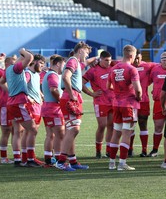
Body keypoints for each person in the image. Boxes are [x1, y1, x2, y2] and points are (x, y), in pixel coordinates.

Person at [0, 48, 39, 167]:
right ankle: (30, 159)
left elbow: (1, 82)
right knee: (32, 129)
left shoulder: (8, 70)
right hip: (19, 102)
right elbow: (29, 57)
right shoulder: (16, 68)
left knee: (18, 131)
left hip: (12, 102)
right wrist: (23, 50)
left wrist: (11, 91)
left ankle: (18, 159)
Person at [56, 41, 92, 171]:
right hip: (70, 96)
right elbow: (66, 77)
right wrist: (72, 94)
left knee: (71, 130)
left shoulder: (75, 62)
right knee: (74, 129)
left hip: (70, 96)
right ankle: (60, 161)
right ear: (81, 50)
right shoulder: (73, 60)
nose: (87, 56)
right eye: (87, 53)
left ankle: (73, 161)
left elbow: (85, 64)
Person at [107, 45, 142, 171]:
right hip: (128, 105)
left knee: (116, 132)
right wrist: (138, 97)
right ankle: (122, 163)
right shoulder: (132, 69)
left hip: (116, 104)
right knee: (127, 133)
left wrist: (118, 93)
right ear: (132, 56)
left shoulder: (114, 68)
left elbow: (108, 86)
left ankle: (111, 163)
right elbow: (138, 89)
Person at [82, 50, 114, 158]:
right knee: (102, 125)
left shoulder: (113, 66)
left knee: (111, 126)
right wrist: (91, 93)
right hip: (100, 102)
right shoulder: (93, 70)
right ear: (100, 59)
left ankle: (109, 151)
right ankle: (98, 151)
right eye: (106, 60)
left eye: (109, 60)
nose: (108, 62)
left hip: (113, 101)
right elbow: (81, 82)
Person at [148, 51, 166, 157]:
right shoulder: (155, 69)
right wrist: (154, 91)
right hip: (158, 102)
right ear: (160, 61)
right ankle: (155, 150)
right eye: (164, 59)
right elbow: (150, 81)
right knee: (158, 126)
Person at [41, 55, 66, 166]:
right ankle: (59, 160)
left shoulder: (48, 74)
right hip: (54, 109)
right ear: (58, 64)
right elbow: (53, 89)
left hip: (47, 108)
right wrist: (61, 101)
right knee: (60, 135)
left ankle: (48, 159)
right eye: (63, 65)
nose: (64, 68)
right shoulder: (53, 75)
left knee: (50, 135)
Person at [0, 53, 16, 164]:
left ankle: (17, 156)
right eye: (12, 63)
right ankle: (3, 158)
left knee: (16, 131)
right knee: (6, 131)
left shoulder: (15, 73)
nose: (14, 65)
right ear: (6, 64)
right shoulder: (1, 72)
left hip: (14, 105)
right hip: (4, 106)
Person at [132, 50, 156, 157]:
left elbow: (163, 64)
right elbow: (113, 62)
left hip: (144, 100)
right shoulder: (126, 66)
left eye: (139, 58)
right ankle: (129, 149)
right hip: (130, 101)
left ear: (141, 58)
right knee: (130, 125)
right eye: (135, 58)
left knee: (143, 124)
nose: (137, 60)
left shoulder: (147, 66)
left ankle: (144, 150)